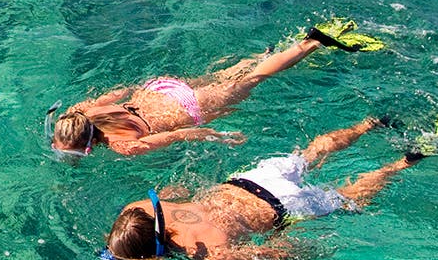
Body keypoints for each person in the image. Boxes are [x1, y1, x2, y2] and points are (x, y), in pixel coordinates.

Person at [97, 95, 438, 260]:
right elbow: (176, 190)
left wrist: (310, 250)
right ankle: (371, 123)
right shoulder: (141, 207)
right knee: (310, 154)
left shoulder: (211, 258)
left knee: (347, 199)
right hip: (250, 179)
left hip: (283, 210)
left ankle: (407, 161)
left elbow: (276, 253)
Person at [48, 19, 386, 157]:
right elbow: (119, 91)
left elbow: (179, 135)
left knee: (254, 80)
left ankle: (312, 43)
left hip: (187, 107)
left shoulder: (124, 146)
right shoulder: (79, 112)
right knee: (230, 78)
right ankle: (259, 54)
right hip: (159, 89)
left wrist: (220, 137)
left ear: (88, 148)